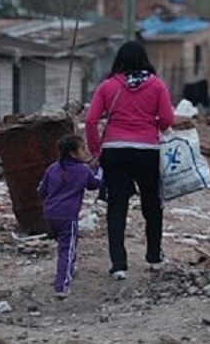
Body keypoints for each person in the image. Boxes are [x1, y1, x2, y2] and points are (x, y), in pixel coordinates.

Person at [84, 40, 174, 280]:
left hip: (115, 150)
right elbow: (167, 118)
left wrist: (95, 151)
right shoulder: (157, 85)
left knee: (117, 206)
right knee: (152, 204)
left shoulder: (107, 86)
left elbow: (91, 120)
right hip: (147, 150)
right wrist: (152, 125)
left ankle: (119, 265)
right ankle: (154, 257)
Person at [37, 133, 102, 298]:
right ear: (73, 154)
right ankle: (62, 285)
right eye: (82, 148)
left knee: (65, 245)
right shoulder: (82, 170)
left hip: (50, 213)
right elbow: (94, 184)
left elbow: (42, 191)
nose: (85, 151)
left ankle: (68, 271)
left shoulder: (52, 168)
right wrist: (100, 169)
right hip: (68, 216)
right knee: (67, 248)